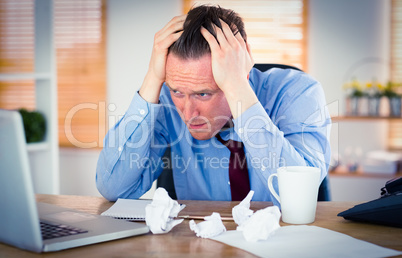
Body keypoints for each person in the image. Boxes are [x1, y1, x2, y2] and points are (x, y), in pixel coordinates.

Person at [96, 5, 331, 203]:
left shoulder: (298, 92)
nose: (188, 113)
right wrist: (153, 79)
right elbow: (114, 188)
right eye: (177, 91)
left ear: (242, 72)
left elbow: (298, 196)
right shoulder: (166, 100)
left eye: (203, 94)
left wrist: (238, 89)